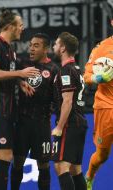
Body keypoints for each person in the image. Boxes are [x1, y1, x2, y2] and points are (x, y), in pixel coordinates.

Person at [0, 8, 40, 190]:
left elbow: (6, 73)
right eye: (20, 25)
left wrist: (19, 81)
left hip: (5, 109)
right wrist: (20, 73)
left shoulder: (10, 50)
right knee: (5, 156)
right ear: (11, 26)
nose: (22, 28)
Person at [11, 33, 59, 190]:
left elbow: (59, 99)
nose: (31, 48)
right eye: (30, 45)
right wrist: (19, 81)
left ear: (46, 49)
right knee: (17, 162)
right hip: (22, 123)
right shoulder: (23, 64)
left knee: (44, 165)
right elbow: (9, 76)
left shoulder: (54, 70)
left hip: (42, 124)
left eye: (36, 45)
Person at [51, 32, 88, 190]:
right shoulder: (77, 69)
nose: (54, 46)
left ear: (63, 48)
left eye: (56, 44)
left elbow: (67, 101)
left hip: (69, 124)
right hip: (79, 123)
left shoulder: (66, 70)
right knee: (75, 169)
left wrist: (59, 127)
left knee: (61, 167)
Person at [83, 17, 113, 190]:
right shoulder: (101, 48)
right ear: (112, 22)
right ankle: (90, 176)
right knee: (102, 155)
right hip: (105, 107)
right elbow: (86, 77)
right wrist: (97, 77)